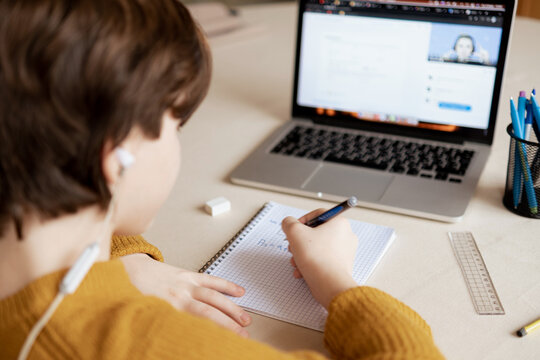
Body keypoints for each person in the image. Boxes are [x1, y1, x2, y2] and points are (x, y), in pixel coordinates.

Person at [0, 0, 445, 359]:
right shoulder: (146, 344)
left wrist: (118, 260)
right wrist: (335, 279)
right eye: (176, 126)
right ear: (116, 158)